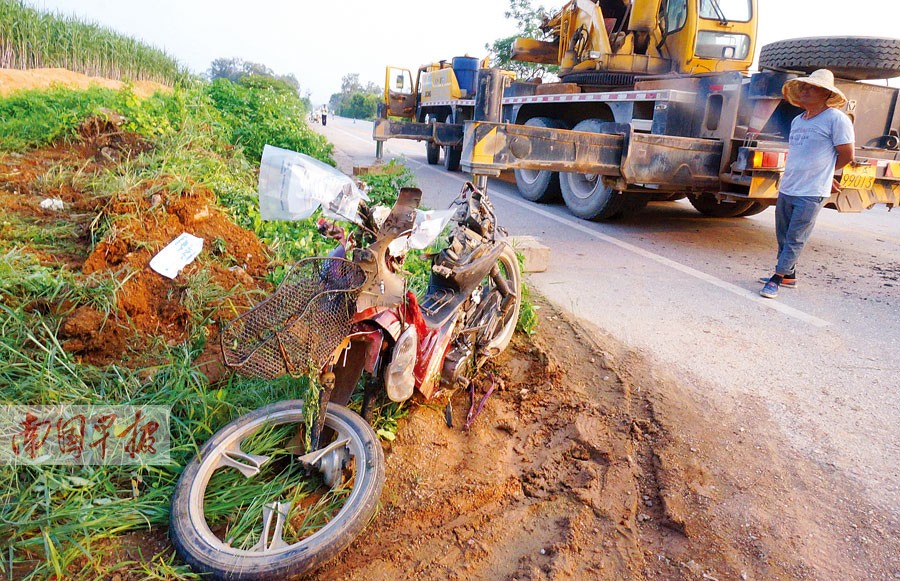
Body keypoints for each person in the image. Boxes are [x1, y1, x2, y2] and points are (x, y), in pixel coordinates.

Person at [759, 69, 854, 299]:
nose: (804, 90)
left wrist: (825, 175)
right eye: (803, 86)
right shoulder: (798, 121)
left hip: (811, 192)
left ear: (825, 93)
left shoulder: (836, 119)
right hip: (789, 186)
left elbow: (846, 154)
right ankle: (789, 275)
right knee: (783, 236)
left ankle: (777, 278)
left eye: (810, 87)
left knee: (795, 238)